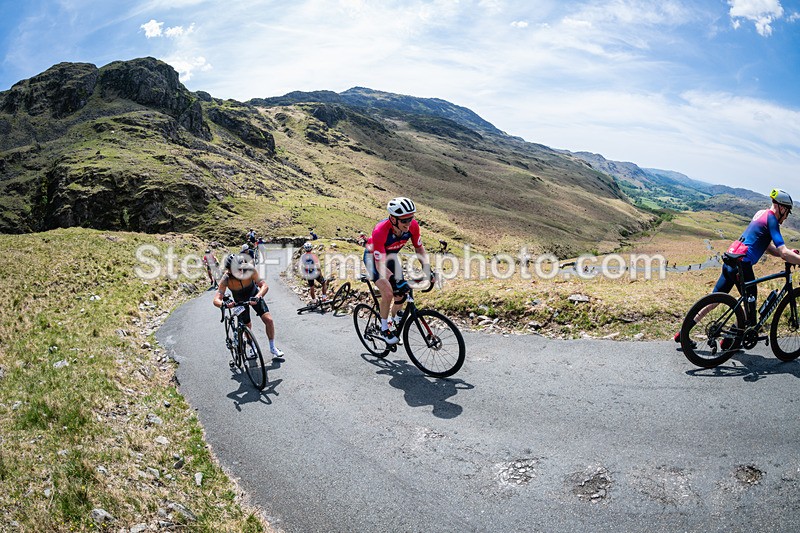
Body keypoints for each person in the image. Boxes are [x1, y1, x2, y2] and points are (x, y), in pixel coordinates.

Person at [675, 188, 800, 342]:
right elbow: (782, 252)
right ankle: (728, 341)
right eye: (787, 212)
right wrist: (790, 255)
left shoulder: (761, 213)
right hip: (742, 265)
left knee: (713, 300)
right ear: (781, 208)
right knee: (750, 306)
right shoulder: (772, 219)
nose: (786, 217)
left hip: (731, 259)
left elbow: (767, 248)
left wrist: (789, 254)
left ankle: (682, 333)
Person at [364, 197, 433, 345]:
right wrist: (395, 280)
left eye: (411, 218)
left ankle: (395, 318)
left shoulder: (413, 226)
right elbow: (380, 265)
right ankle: (384, 328)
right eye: (404, 220)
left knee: (401, 296)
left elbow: (419, 248)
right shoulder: (380, 231)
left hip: (391, 256)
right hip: (374, 258)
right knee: (388, 293)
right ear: (393, 219)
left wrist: (428, 269)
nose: (408, 224)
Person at [213, 253, 284, 359]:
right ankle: (252, 346)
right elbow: (216, 299)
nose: (240, 271)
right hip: (239, 301)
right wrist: (224, 304)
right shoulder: (226, 278)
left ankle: (272, 347)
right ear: (229, 270)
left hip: (254, 295)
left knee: (269, 320)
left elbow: (264, 285)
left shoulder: (250, 270)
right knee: (247, 326)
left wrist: (258, 296)